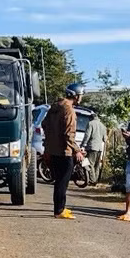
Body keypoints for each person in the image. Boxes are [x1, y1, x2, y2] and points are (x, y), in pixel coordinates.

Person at [43, 83, 85, 219]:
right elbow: (69, 134)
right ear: (76, 96)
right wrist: (77, 150)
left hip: (53, 150)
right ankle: (59, 210)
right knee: (63, 181)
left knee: (59, 181)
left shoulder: (54, 107)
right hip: (64, 152)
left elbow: (44, 124)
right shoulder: (69, 110)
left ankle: (59, 208)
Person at [81, 111, 107, 185]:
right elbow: (105, 139)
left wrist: (83, 145)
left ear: (91, 118)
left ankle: (92, 180)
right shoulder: (103, 126)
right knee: (97, 165)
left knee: (90, 163)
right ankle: (95, 180)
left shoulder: (91, 124)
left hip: (92, 147)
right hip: (99, 148)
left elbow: (87, 136)